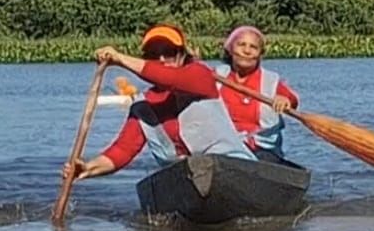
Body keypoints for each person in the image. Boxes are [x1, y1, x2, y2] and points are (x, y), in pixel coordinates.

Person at [62, 24, 257, 181]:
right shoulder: (143, 105)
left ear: (181, 54)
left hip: (234, 168)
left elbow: (167, 78)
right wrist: (88, 168)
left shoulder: (199, 75)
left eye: (169, 52)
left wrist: (120, 58)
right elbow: (122, 151)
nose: (162, 59)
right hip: (185, 177)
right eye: (154, 54)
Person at [215, 25, 300, 163]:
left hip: (262, 148)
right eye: (241, 45)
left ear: (260, 54)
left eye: (253, 47)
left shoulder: (270, 80)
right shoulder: (216, 76)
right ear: (230, 49)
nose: (247, 51)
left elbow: (292, 99)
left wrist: (284, 99)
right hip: (223, 145)